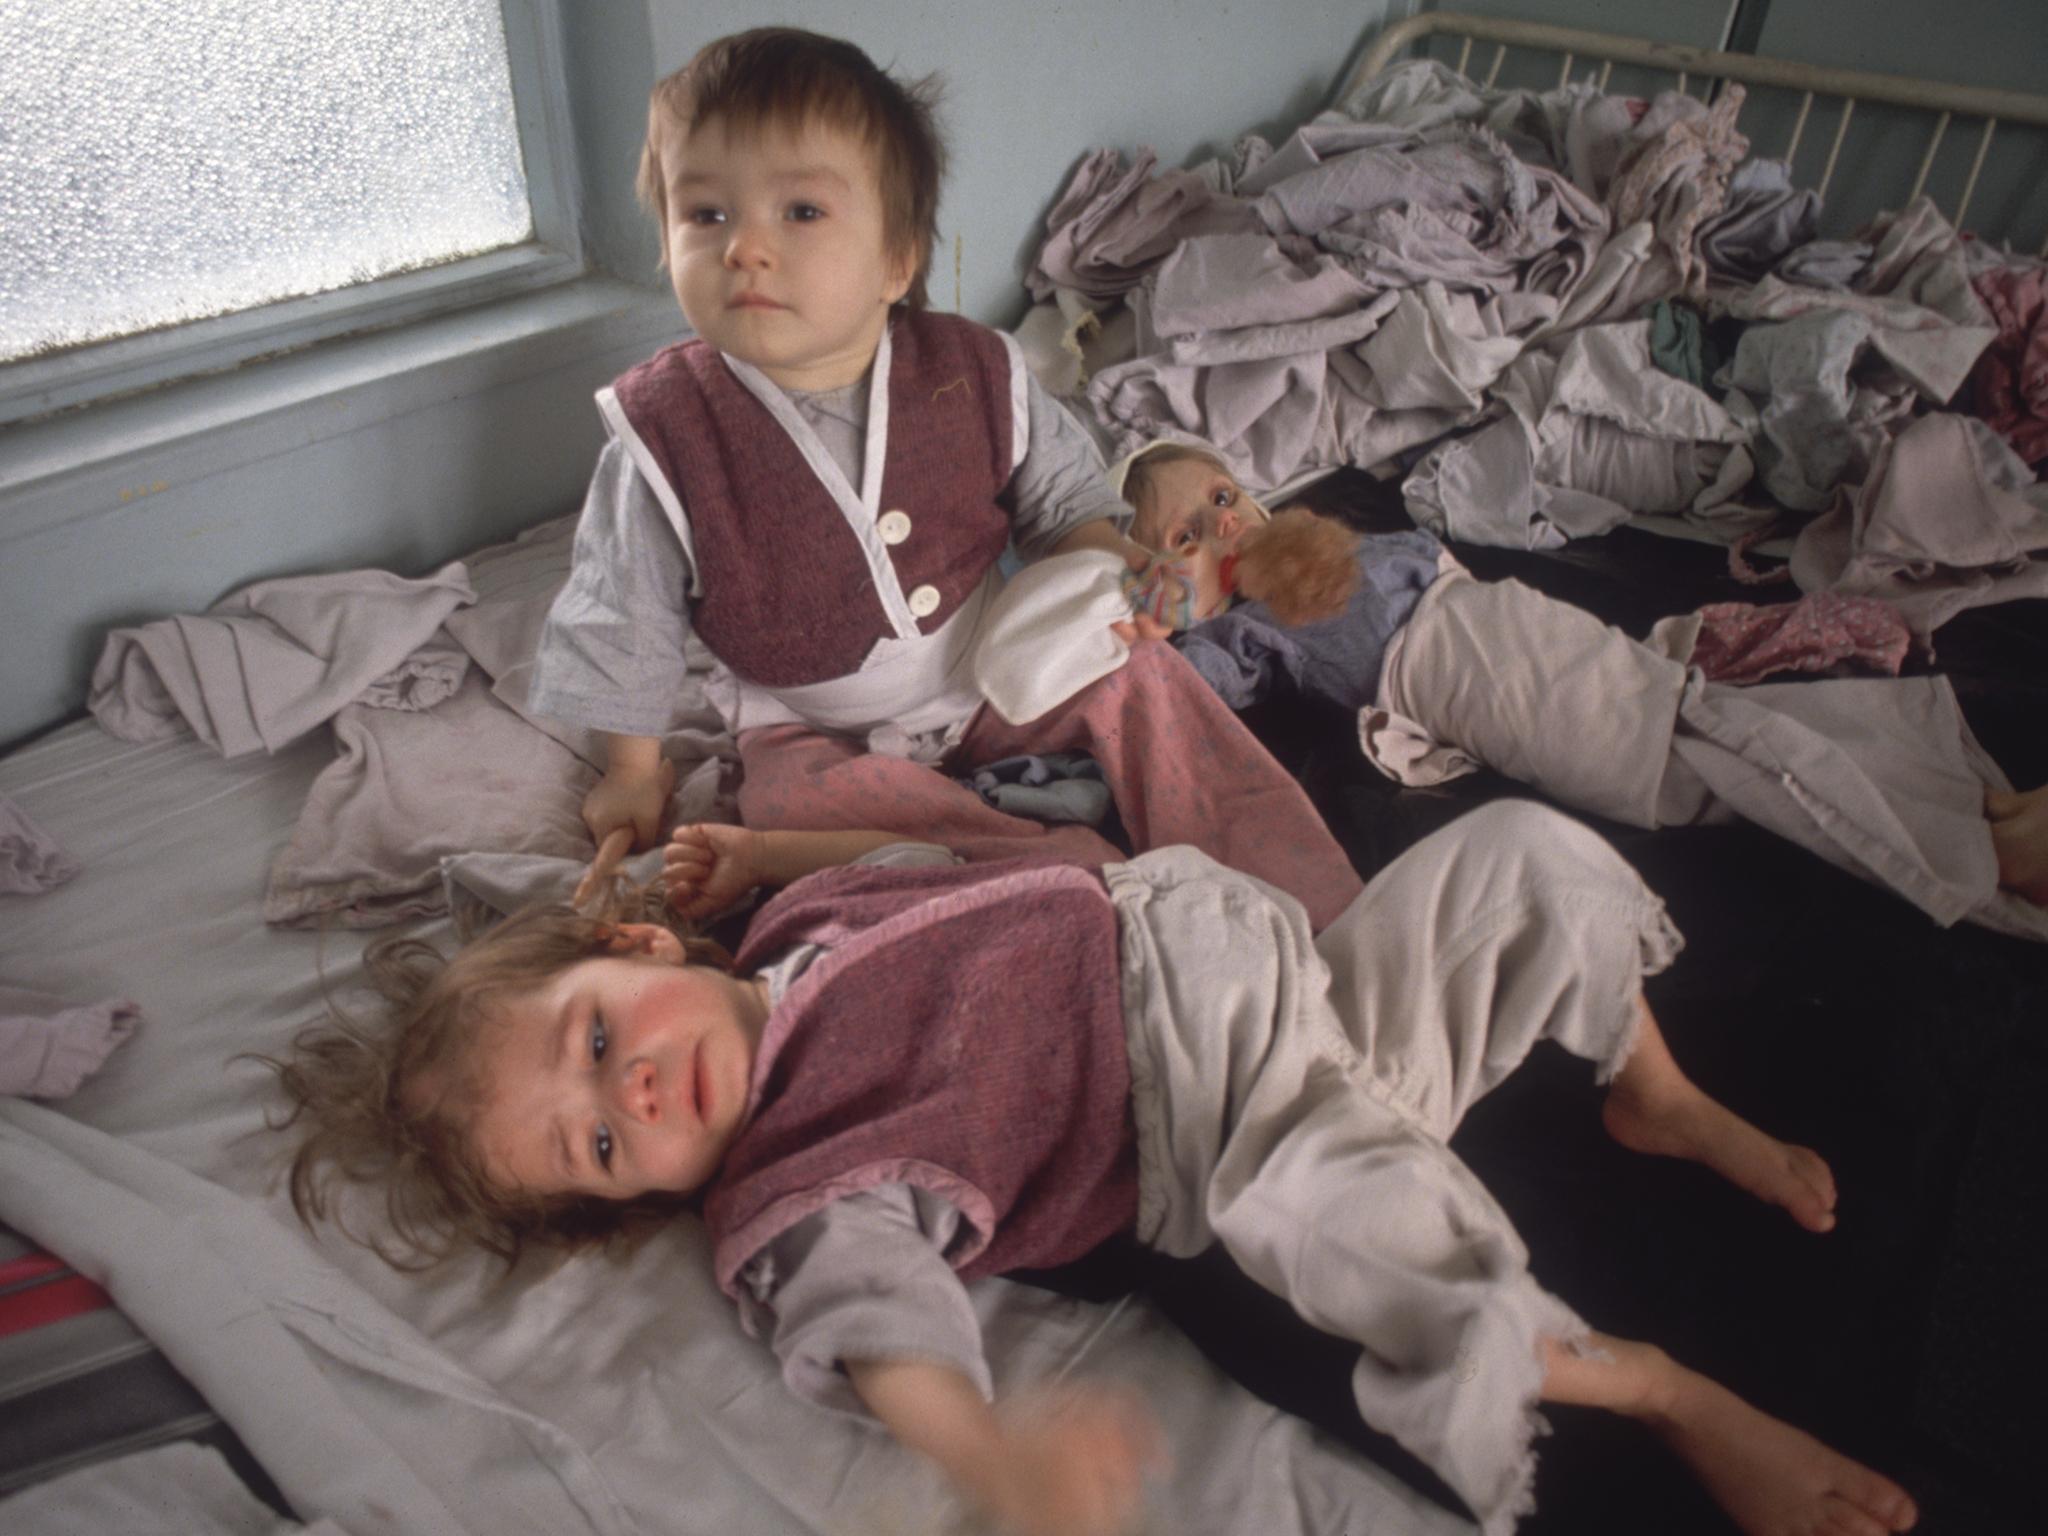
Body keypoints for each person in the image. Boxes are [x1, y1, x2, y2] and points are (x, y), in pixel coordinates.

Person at [274, 811, 1919, 1536]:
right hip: (1230, 1114)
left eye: (588, 1040)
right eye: (606, 1147)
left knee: (1523, 863)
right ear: (648, 1196)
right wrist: (992, 1458)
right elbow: (877, 1327)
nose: (629, 1089)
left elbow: (939, 870)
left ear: (634, 945)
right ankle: (1668, 1394)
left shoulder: (793, 927)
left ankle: (1659, 1095)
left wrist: (770, 850)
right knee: (1415, 1248)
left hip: (1297, 983)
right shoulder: (798, 1182)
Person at [524, 28, 1362, 930]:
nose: (744, 249)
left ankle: (1308, 901)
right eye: (705, 215)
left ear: (897, 259)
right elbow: (626, 619)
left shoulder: (977, 373)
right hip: (809, 722)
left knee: (1153, 688)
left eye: (800, 212)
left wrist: (1122, 577)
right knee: (788, 815)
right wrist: (631, 773)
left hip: (989, 663)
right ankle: (1054, 874)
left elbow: (1065, 508)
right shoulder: (662, 436)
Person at [1117, 440, 2048, 938]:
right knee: (1688, 762)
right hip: (1472, 682)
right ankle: (1969, 844)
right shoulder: (1247, 625)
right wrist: (1155, 623)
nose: (1221, 522)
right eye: (1189, 534)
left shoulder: (1343, 537)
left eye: (1223, 494)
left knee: (1701, 708)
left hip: (1516, 626)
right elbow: (1188, 690)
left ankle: (1972, 802)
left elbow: (1446, 570)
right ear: (1175, 574)